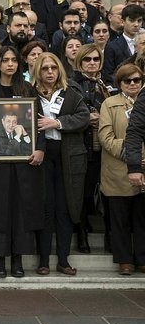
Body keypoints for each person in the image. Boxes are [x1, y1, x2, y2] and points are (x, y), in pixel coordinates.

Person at [0, 46, 44, 278]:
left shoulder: (27, 89)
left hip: (24, 163)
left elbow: (38, 123)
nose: (10, 64)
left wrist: (40, 149)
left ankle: (18, 260)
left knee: (21, 210)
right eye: (5, 60)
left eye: (14, 60)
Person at [32, 52, 90, 276]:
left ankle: (63, 260)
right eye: (45, 68)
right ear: (38, 70)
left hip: (68, 156)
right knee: (46, 208)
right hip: (42, 156)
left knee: (65, 209)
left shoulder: (71, 92)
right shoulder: (30, 94)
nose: (49, 72)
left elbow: (83, 118)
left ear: (59, 70)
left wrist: (57, 122)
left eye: (53, 68)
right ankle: (44, 260)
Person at [99, 64, 144, 275]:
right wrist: (134, 154)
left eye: (137, 80)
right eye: (128, 81)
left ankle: (142, 258)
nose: (133, 84)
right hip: (118, 169)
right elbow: (105, 138)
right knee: (120, 219)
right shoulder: (109, 104)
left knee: (142, 218)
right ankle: (124, 260)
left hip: (143, 168)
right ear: (120, 84)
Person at [73, 43, 114, 253]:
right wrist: (85, 118)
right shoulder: (72, 84)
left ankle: (110, 236)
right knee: (83, 193)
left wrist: (104, 117)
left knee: (108, 193)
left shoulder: (109, 83)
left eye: (95, 59)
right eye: (87, 59)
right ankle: (81, 236)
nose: (91, 63)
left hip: (107, 147)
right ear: (80, 61)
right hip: (83, 144)